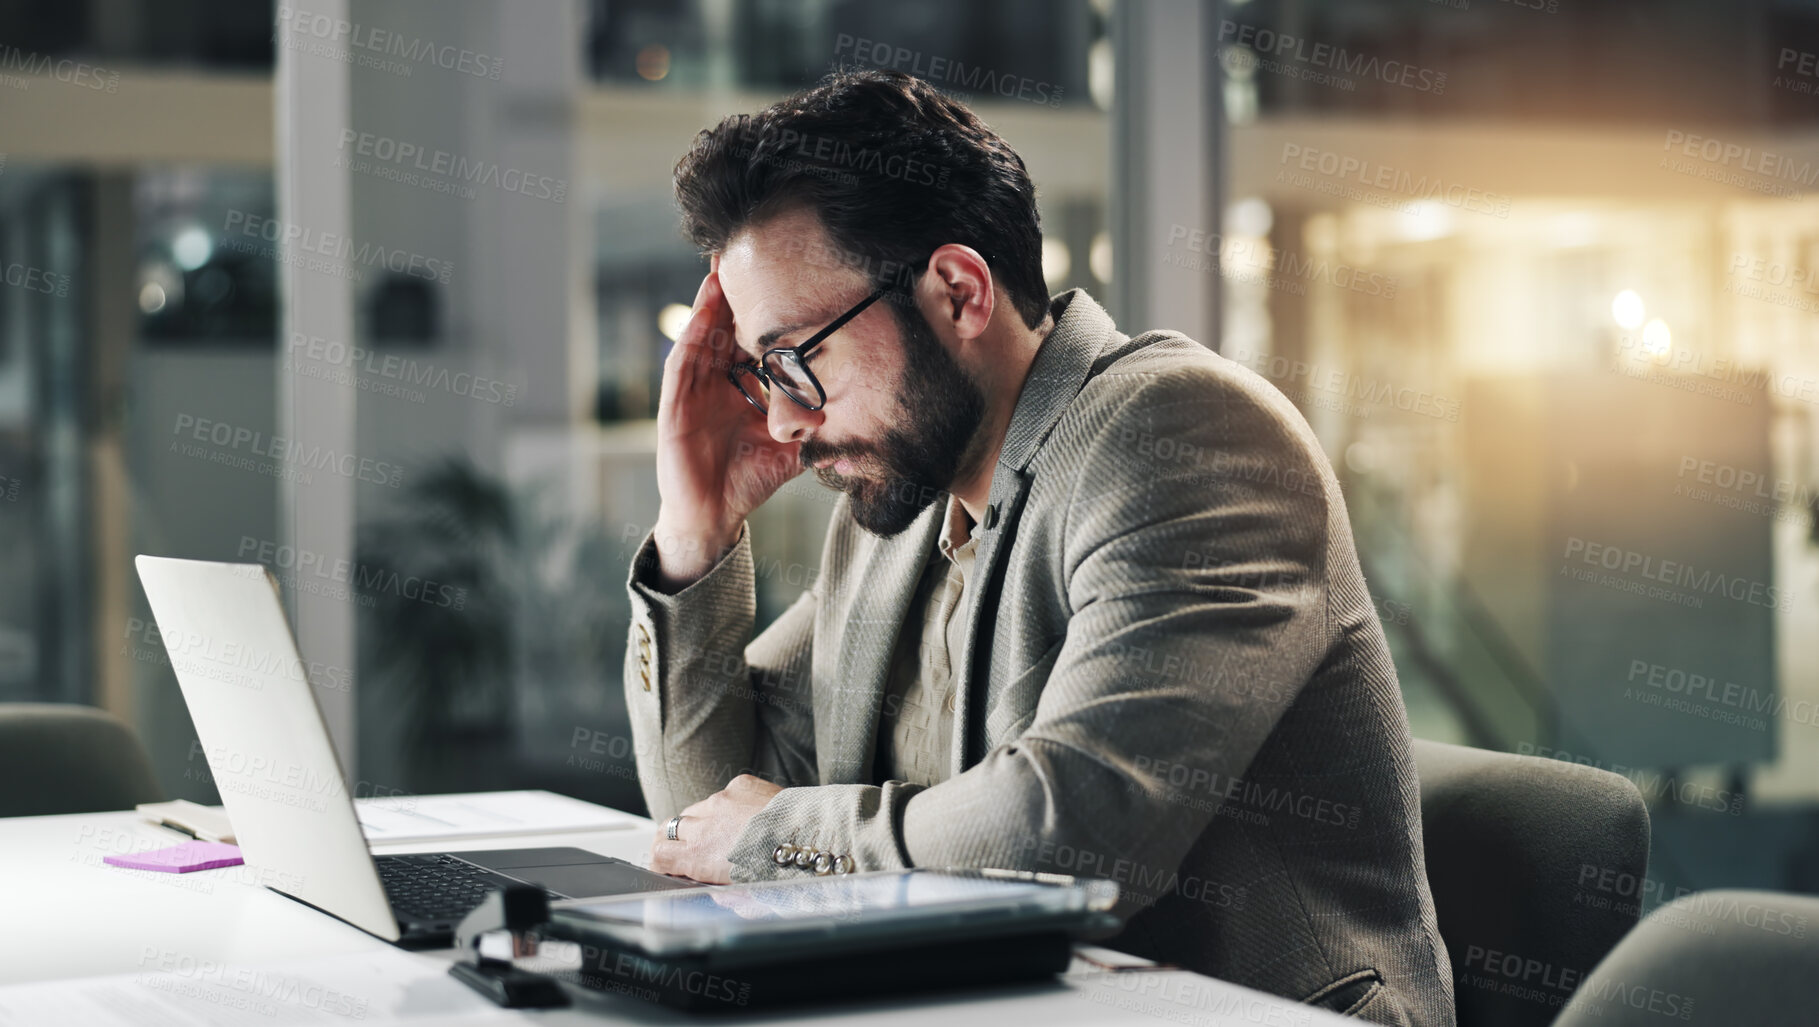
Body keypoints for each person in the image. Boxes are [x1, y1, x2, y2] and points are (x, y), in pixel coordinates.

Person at [619, 68, 1453, 1025]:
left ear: (959, 291)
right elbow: (703, 816)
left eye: (799, 359)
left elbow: (1074, 829)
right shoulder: (898, 506)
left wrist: (774, 833)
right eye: (760, 371)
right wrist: (695, 531)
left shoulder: (1183, 436)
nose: (782, 419)